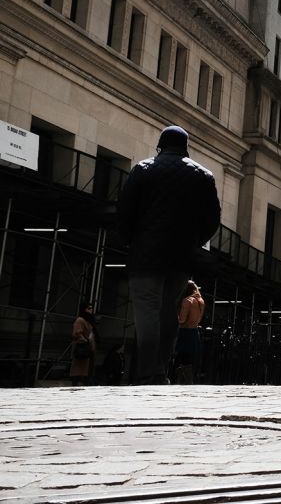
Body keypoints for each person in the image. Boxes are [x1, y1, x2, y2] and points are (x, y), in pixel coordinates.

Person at [116, 125, 221, 385]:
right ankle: (160, 370)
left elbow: (124, 211)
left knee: (147, 312)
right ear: (186, 147)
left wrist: (131, 241)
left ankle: (149, 372)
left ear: (161, 145)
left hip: (145, 256)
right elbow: (212, 220)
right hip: (181, 258)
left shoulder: (143, 169)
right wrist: (195, 242)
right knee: (167, 313)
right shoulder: (203, 176)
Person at [174, 281, 204, 385]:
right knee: (190, 358)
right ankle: (186, 379)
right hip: (194, 331)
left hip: (185, 331)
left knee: (182, 357)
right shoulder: (200, 301)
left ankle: (186, 379)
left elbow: (182, 320)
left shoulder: (187, 301)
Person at [70, 301, 96, 385]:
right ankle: (77, 383)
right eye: (89, 308)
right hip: (82, 347)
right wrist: (85, 340)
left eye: (91, 308)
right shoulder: (80, 320)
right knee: (79, 368)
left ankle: (82, 382)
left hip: (88, 348)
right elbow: (77, 333)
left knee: (86, 370)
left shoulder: (88, 321)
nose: (91, 310)